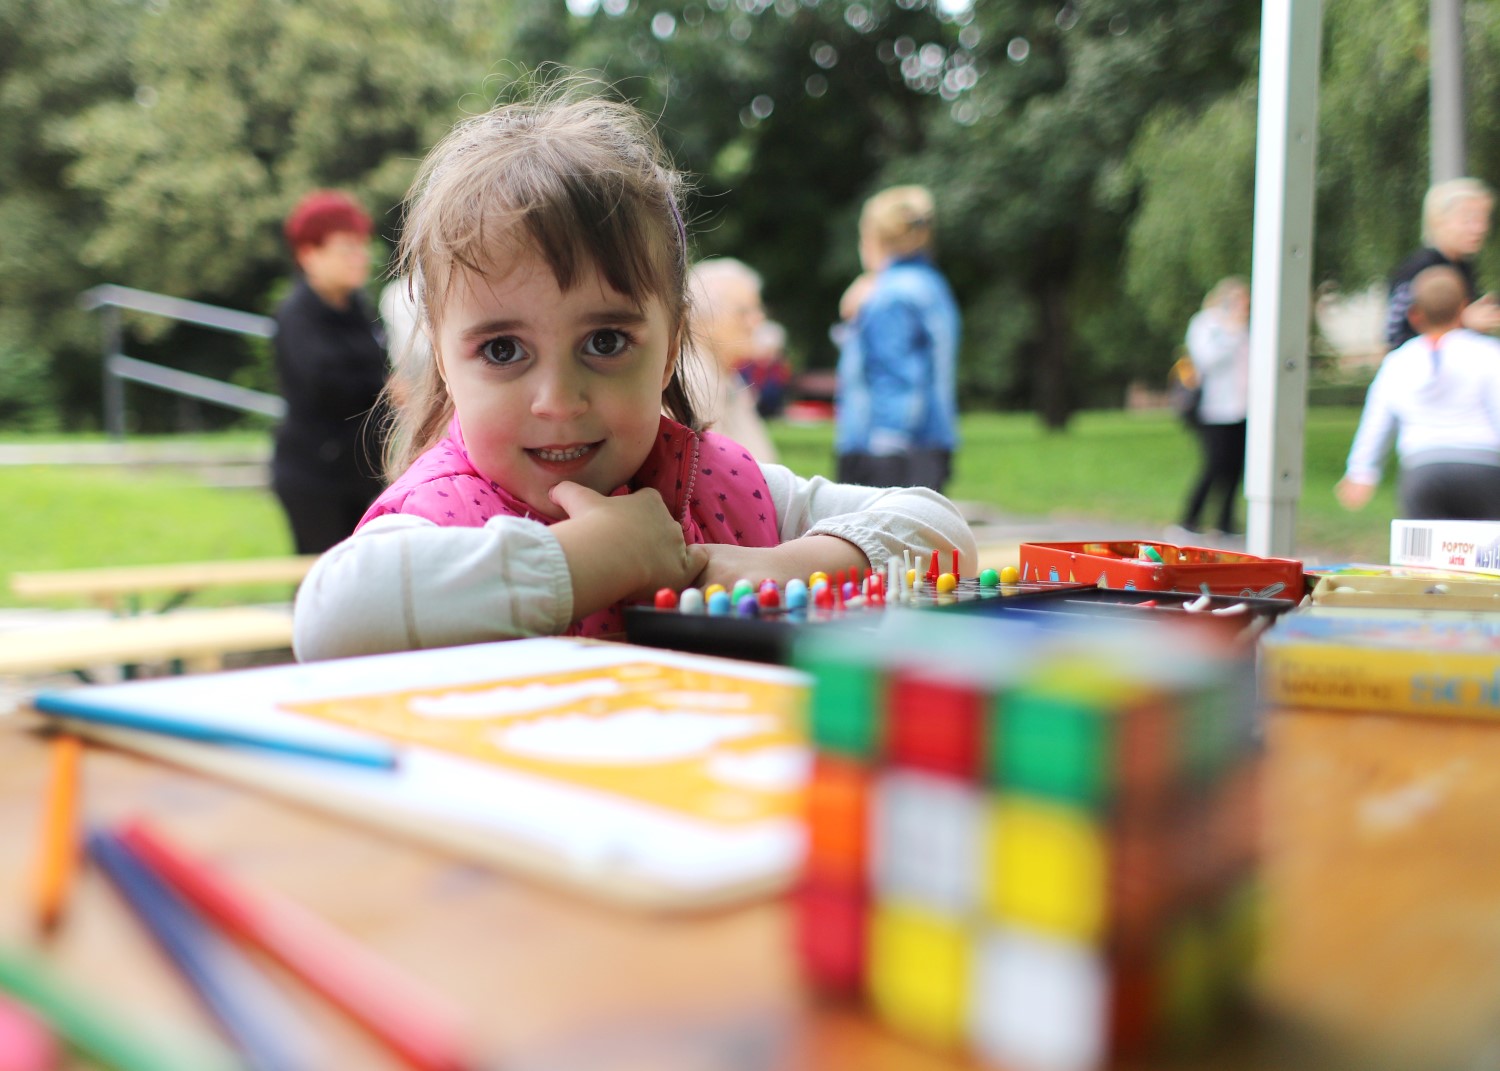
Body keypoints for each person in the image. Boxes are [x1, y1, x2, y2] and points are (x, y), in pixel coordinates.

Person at [292, 91, 976, 660]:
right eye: (502, 350)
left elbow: (942, 532)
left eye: (606, 341)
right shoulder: (441, 519)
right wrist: (588, 559)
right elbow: (328, 618)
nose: (559, 401)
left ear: (671, 344)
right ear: (444, 358)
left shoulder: (719, 490)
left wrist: (793, 565)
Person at [271, 190, 389, 554]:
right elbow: (325, 383)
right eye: (347, 248)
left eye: (362, 246)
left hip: (363, 469)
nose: (360, 256)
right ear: (309, 254)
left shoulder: (358, 308)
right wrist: (385, 389)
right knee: (322, 575)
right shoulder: (296, 315)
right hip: (314, 475)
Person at [1337, 265, 1500, 520]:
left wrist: (1361, 471)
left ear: (1415, 315)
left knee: (1421, 545)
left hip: (1422, 469)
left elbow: (1377, 421)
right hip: (1483, 468)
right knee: (1489, 545)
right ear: (1463, 308)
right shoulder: (1488, 353)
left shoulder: (1398, 361)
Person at [835, 186, 960, 493]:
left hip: (888, 450)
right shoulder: (932, 284)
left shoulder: (889, 297)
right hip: (933, 440)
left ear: (873, 238)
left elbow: (894, 374)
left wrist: (886, 443)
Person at [1385, 178, 1500, 349]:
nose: (1479, 228)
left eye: (1484, 219)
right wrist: (1462, 321)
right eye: (1468, 220)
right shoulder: (1419, 270)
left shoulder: (1462, 266)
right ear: (1438, 221)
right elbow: (1397, 338)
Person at [1175, 277, 1250, 537]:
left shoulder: (1247, 327)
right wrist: (1231, 332)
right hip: (1214, 408)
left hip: (1243, 407)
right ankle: (1189, 518)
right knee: (1215, 464)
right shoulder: (1207, 323)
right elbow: (1206, 360)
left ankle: (1225, 522)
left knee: (1236, 467)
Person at [688, 257, 778, 463]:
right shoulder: (695, 382)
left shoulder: (725, 375)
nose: (758, 320)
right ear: (706, 319)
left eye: (758, 310)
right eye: (743, 312)